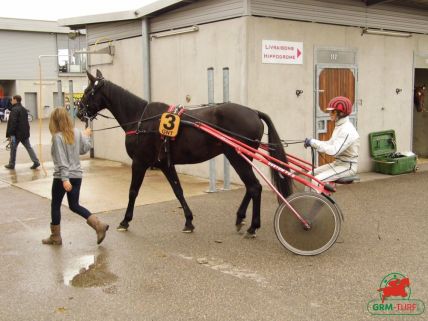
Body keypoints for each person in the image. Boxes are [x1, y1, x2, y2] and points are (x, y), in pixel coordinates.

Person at [42, 107, 109, 245]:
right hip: (77, 176)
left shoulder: (57, 137)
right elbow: (84, 149)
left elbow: (61, 160)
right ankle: (99, 225)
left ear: (54, 121)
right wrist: (86, 136)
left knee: (55, 205)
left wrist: (65, 179)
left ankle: (55, 237)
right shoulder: (77, 133)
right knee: (74, 205)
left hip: (62, 177)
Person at [304, 96, 360, 182]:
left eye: (333, 111)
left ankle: (314, 196)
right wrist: (313, 142)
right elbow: (330, 143)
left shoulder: (347, 130)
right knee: (309, 175)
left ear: (341, 113)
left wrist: (313, 143)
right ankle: (310, 196)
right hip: (338, 164)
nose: (330, 113)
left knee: (316, 180)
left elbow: (334, 150)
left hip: (348, 166)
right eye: (330, 111)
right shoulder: (340, 126)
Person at [4, 95, 40, 170]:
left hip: (16, 134)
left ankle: (11, 164)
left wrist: (10, 134)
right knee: (29, 147)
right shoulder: (23, 109)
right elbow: (26, 123)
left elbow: (13, 123)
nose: (11, 101)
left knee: (13, 149)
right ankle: (36, 161)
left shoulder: (14, 110)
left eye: (12, 99)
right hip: (24, 134)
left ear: (16, 100)